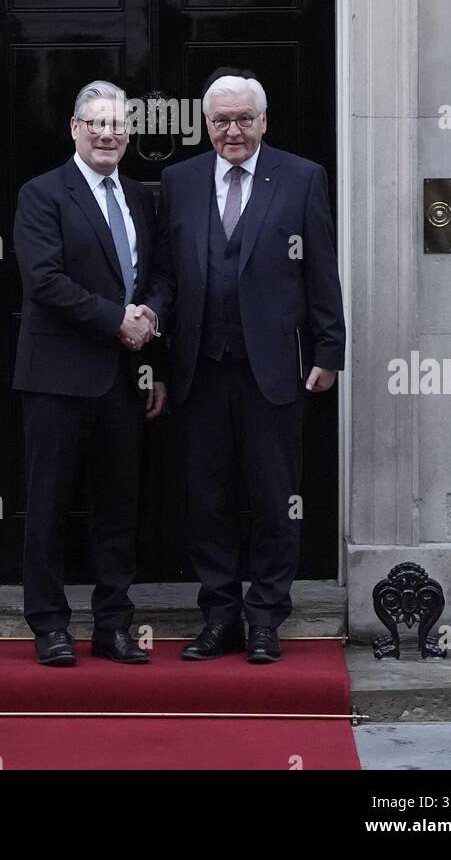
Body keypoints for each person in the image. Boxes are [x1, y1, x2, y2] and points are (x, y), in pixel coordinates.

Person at [142, 70, 345, 664]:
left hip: (275, 368)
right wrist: (152, 353)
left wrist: (329, 350)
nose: (232, 130)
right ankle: (220, 616)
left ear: (263, 121)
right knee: (207, 499)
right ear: (206, 125)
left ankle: (265, 619)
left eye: (243, 119)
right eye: (220, 120)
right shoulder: (178, 182)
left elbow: (321, 270)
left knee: (274, 494)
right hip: (198, 370)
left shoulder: (302, 178)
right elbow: (164, 276)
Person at [13, 80, 166, 666]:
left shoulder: (140, 197)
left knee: (117, 509)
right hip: (57, 377)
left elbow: (152, 276)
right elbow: (45, 282)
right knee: (47, 506)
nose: (107, 133)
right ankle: (49, 624)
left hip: (124, 379)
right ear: (74, 129)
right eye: (96, 123)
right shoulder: (43, 193)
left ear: (128, 133)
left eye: (117, 124)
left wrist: (149, 324)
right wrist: (117, 321)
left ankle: (113, 625)